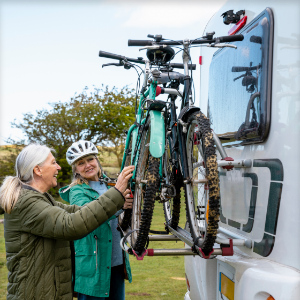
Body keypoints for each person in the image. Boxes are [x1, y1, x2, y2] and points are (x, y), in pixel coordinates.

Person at [0, 143, 134, 300]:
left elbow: (77, 211)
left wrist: (116, 201)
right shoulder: (27, 203)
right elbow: (72, 224)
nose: (58, 167)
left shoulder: (42, 199)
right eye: (53, 163)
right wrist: (116, 194)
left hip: (47, 290)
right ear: (37, 170)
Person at [59, 140, 133, 300]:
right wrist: (119, 204)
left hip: (116, 262)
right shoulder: (76, 191)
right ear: (75, 169)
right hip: (93, 266)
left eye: (90, 159)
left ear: (97, 160)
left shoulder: (111, 184)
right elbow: (88, 214)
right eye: (81, 163)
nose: (87, 165)